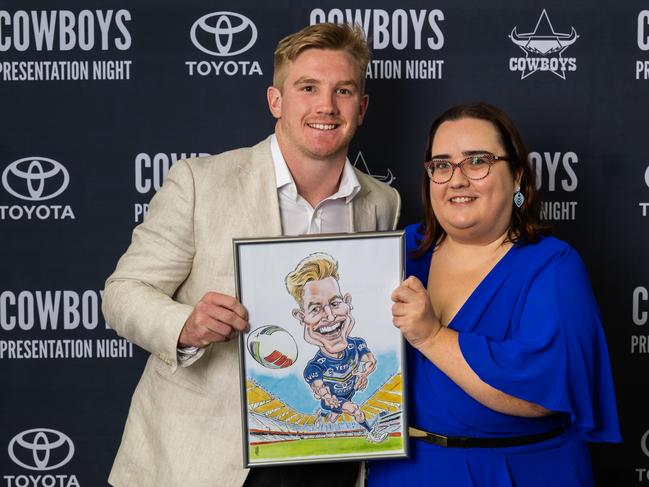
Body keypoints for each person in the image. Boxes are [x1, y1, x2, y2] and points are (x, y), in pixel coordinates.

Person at [102, 23, 400, 487]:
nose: (326, 106)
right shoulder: (201, 182)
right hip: (210, 463)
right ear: (275, 101)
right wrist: (185, 325)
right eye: (307, 88)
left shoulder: (382, 202)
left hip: (331, 455)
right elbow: (123, 293)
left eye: (343, 90)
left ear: (360, 108)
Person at [368, 102, 620, 486]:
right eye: (441, 165)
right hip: (405, 472)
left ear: (517, 176)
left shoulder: (553, 267)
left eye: (477, 162)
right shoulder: (398, 250)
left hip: (513, 472)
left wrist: (431, 337)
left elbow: (539, 398)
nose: (457, 180)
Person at [285, 252, 388, 443]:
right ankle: (372, 433)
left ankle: (321, 420)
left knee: (331, 416)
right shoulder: (315, 366)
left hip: (345, 395)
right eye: (315, 309)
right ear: (301, 317)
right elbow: (319, 387)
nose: (330, 317)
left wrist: (363, 374)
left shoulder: (357, 344)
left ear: (347, 303)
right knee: (352, 409)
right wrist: (327, 397)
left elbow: (371, 361)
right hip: (334, 399)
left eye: (335, 303)